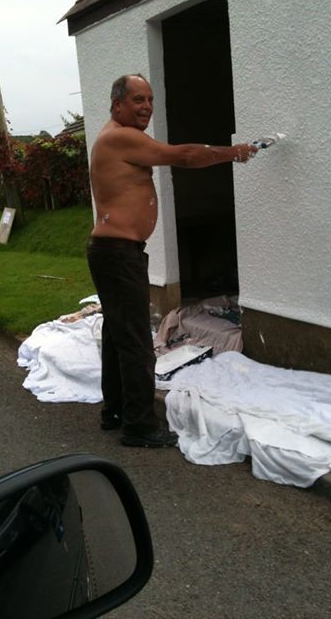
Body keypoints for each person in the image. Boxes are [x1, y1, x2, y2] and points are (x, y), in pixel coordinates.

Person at [87, 74, 257, 448]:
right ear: (117, 105)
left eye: (149, 99)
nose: (146, 106)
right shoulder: (120, 136)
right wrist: (233, 152)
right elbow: (183, 156)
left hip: (116, 253)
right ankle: (139, 426)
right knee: (134, 342)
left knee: (118, 335)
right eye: (137, 99)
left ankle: (114, 411)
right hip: (117, 255)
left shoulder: (115, 136)